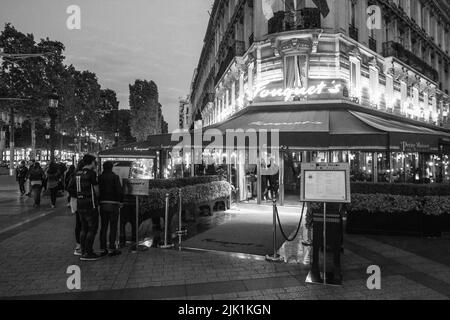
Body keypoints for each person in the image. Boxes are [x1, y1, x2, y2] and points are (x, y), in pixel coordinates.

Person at [73, 154, 100, 261]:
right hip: (90, 204)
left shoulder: (77, 173)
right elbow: (96, 190)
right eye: (94, 161)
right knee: (92, 228)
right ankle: (89, 252)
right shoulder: (91, 173)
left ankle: (83, 251)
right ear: (92, 162)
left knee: (84, 228)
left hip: (80, 204)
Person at [99, 161, 123, 257]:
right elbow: (119, 190)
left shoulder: (99, 177)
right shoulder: (115, 177)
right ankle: (112, 248)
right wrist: (121, 201)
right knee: (113, 226)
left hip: (103, 204)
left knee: (103, 227)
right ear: (111, 167)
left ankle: (102, 248)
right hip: (113, 204)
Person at [67, 161, 83, 256]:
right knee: (80, 223)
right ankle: (79, 246)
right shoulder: (77, 176)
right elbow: (70, 188)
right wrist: (79, 195)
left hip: (76, 201)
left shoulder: (74, 175)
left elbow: (69, 188)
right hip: (79, 201)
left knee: (79, 223)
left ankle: (79, 245)